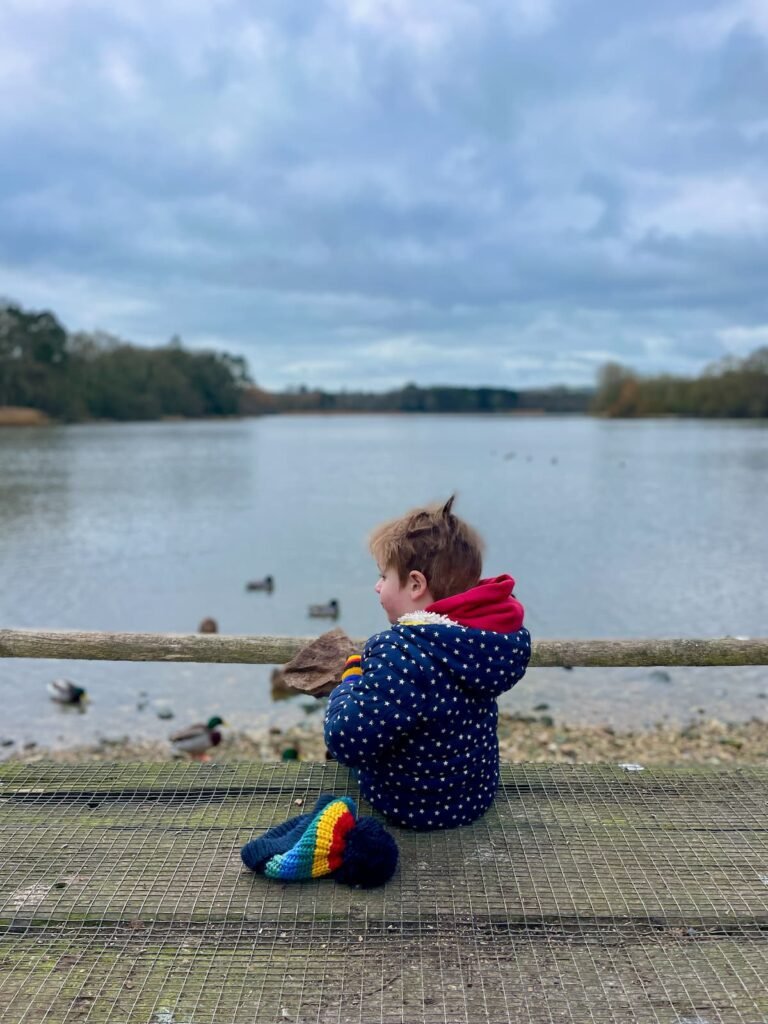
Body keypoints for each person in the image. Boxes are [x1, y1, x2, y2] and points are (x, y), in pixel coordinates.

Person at [324, 495, 531, 830]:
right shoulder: (485, 641)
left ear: (416, 584)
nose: (377, 587)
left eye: (384, 576)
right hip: (473, 796)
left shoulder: (400, 653)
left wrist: (348, 684)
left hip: (410, 804)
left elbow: (345, 739)